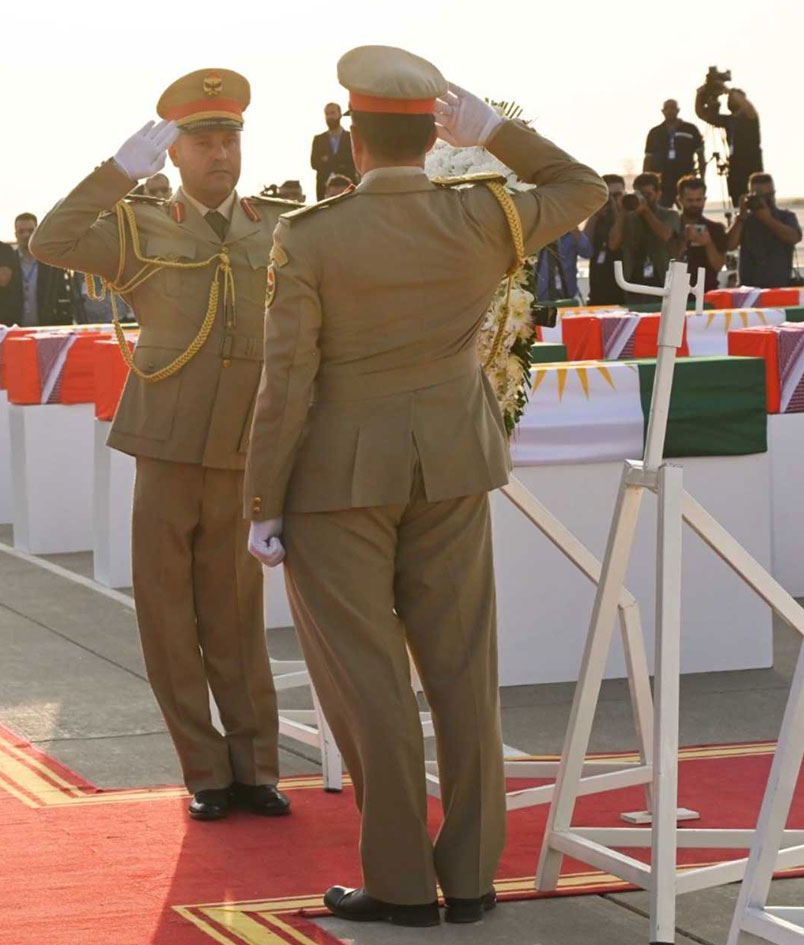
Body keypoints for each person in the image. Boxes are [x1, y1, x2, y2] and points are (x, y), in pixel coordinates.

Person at [245, 45, 605, 927]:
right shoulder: (481, 214)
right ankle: (473, 876)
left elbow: (285, 381)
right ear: (430, 138)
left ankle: (402, 882)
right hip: (450, 465)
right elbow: (583, 188)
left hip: (338, 480)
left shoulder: (311, 235)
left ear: (354, 140)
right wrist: (495, 134)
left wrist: (263, 503)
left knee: (369, 682)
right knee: (464, 670)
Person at [31, 68, 292, 824]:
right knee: (169, 614)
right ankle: (205, 771)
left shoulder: (279, 226)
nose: (220, 154)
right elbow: (51, 240)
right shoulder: (139, 225)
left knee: (238, 614)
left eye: (229, 139)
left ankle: (256, 767)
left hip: (244, 445)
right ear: (172, 152)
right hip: (167, 446)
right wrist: (117, 173)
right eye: (203, 142)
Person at [611, 172, 680, 298]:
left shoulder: (670, 215)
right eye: (640, 194)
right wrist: (622, 211)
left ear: (658, 194)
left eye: (648, 194)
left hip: (662, 280)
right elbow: (613, 244)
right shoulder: (629, 218)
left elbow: (665, 235)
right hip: (634, 282)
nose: (644, 198)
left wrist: (646, 212)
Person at [728, 172, 802, 289]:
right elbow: (730, 245)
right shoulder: (744, 220)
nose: (765, 200)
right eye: (759, 196)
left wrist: (768, 220)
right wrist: (741, 217)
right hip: (749, 289)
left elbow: (794, 238)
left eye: (769, 195)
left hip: (779, 287)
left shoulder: (786, 216)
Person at [696, 83, 763, 209]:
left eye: (733, 98)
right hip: (735, 168)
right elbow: (701, 114)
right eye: (729, 99)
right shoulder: (728, 120)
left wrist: (727, 90)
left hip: (752, 168)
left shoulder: (750, 117)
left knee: (756, 204)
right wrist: (700, 94)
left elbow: (748, 106)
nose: (730, 100)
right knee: (738, 203)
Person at [15, 212, 75, 325]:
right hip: (16, 328)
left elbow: (62, 297)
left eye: (30, 231)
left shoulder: (51, 263)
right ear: (15, 234)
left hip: (46, 327)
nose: (26, 235)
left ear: (37, 232)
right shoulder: (9, 262)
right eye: (21, 231)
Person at [642, 100, 705, 207]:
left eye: (672, 108)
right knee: (662, 211)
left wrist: (702, 179)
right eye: (667, 108)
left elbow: (701, 156)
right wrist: (645, 180)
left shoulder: (690, 129)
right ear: (662, 111)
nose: (670, 111)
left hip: (685, 180)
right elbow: (648, 158)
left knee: (689, 209)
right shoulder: (655, 132)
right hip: (662, 182)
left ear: (678, 110)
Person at [674, 175, 728, 292]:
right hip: (677, 291)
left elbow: (718, 266)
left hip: (707, 290)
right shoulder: (670, 228)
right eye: (690, 200)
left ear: (704, 200)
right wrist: (684, 242)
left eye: (698, 200)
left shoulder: (715, 228)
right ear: (680, 200)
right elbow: (667, 263)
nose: (694, 205)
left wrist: (708, 243)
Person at [583, 174, 627, 304]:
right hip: (597, 292)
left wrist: (620, 210)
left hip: (621, 292)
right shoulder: (598, 219)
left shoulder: (628, 217)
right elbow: (585, 247)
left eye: (617, 195)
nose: (612, 200)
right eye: (608, 196)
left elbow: (615, 243)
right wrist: (595, 212)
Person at [310, 102, 357, 200]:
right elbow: (314, 163)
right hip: (324, 190)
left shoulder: (351, 137)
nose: (330, 117)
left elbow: (355, 160)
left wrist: (328, 160)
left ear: (340, 114)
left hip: (348, 188)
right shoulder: (319, 140)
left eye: (332, 113)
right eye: (327, 114)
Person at [534, 229, 591, 302]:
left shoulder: (570, 235)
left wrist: (574, 229)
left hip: (567, 294)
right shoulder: (535, 234)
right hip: (539, 295)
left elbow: (588, 252)